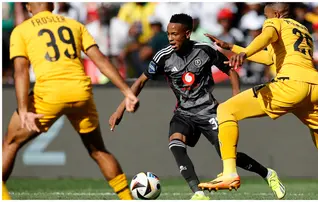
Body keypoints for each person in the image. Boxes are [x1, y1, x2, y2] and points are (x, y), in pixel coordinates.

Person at [109, 13, 285, 200]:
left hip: (209, 111)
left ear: (187, 34)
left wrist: (235, 101)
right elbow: (141, 81)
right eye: (169, 34)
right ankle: (198, 194)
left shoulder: (204, 50)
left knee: (228, 156)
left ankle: (267, 174)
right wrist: (120, 109)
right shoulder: (163, 56)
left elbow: (231, 71)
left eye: (175, 34)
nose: (170, 38)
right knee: (175, 145)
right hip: (184, 113)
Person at [198, 3, 318, 192]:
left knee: (225, 110)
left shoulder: (275, 23)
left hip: (290, 85)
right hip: (316, 88)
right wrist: (233, 47)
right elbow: (270, 58)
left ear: (276, 14)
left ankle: (230, 173)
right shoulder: (303, 30)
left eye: (267, 17)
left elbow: (266, 36)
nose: (267, 21)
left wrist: (245, 53)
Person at [2, 2, 139, 200]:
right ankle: (127, 198)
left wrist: (23, 109)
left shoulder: (22, 29)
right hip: (81, 92)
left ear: (29, 8)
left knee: (10, 142)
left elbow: (21, 71)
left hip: (49, 95)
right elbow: (100, 60)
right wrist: (127, 91)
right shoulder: (74, 25)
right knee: (98, 150)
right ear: (53, 5)